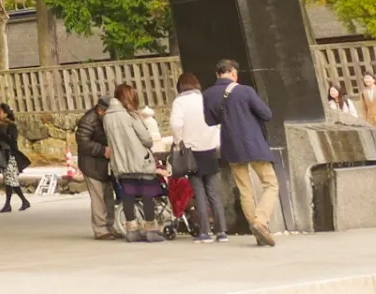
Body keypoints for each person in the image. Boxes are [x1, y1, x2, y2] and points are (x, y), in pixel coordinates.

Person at [203, 58, 278, 247]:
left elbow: (210, 121)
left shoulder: (208, 94)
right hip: (253, 144)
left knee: (245, 190)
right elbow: (266, 114)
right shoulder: (244, 91)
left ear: (217, 74)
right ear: (234, 73)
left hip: (231, 146)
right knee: (271, 183)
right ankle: (261, 222)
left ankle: (258, 231)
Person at [168, 72, 226, 243]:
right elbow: (217, 122)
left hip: (192, 151)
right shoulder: (205, 98)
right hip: (210, 148)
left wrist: (180, 141)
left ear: (180, 86)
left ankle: (205, 232)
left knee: (199, 193)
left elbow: (175, 124)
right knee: (214, 192)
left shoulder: (179, 102)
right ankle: (221, 231)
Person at [104, 83, 163, 241]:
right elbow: (146, 139)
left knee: (128, 196)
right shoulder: (131, 115)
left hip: (122, 163)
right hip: (140, 162)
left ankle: (132, 230)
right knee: (147, 194)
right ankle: (151, 230)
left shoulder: (107, 116)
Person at [73, 95, 118, 239]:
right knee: (98, 197)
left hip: (105, 165)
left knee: (108, 196)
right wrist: (102, 150)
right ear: (101, 110)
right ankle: (100, 229)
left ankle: (110, 226)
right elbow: (82, 142)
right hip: (91, 164)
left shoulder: (106, 119)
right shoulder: (89, 120)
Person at [0, 104, 30, 213]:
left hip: (10, 155)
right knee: (9, 180)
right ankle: (20, 202)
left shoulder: (11, 126)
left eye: (0, 111)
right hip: (1, 155)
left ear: (6, 113)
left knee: (10, 180)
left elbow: (12, 141)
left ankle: (12, 203)